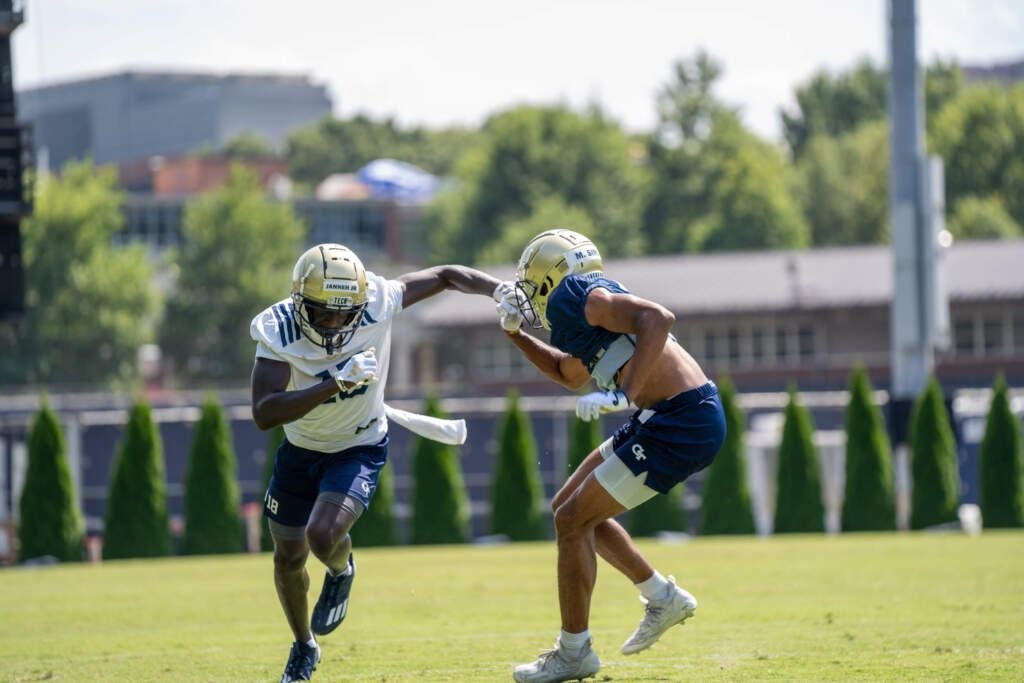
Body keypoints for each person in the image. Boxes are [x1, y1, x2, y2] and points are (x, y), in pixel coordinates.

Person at [250, 243, 503, 682]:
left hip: (358, 444)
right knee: (288, 559)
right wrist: (332, 384)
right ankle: (305, 645)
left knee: (322, 535)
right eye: (323, 312)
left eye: (343, 313)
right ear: (299, 302)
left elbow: (445, 273)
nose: (334, 323)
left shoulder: (378, 301)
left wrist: (500, 290)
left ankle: (341, 568)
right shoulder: (278, 327)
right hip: (300, 449)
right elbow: (263, 412)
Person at [494, 229, 726, 683]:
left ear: (549, 277)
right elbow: (568, 372)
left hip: (681, 421)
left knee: (572, 521)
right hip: (666, 417)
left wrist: (624, 394)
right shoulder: (588, 314)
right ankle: (662, 597)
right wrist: (515, 332)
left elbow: (659, 318)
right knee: (568, 509)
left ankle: (574, 651)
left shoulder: (585, 296)